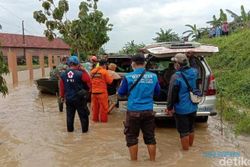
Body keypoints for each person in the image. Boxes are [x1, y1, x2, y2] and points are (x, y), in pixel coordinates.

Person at [118, 54, 160, 161]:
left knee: (132, 138)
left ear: (133, 64)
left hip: (133, 111)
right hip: (148, 111)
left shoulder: (128, 77)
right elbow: (158, 92)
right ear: (144, 63)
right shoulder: (154, 76)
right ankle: (152, 162)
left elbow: (121, 93)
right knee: (150, 137)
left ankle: (134, 163)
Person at [166, 53, 198, 151]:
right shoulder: (194, 72)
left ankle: (186, 153)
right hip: (193, 106)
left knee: (183, 132)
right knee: (191, 128)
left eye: (174, 63)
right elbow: (194, 66)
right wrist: (192, 57)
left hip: (181, 109)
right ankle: (191, 149)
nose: (174, 65)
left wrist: (169, 108)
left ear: (178, 65)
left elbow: (171, 94)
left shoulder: (176, 77)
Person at [60, 56, 91, 133]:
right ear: (78, 64)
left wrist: (62, 97)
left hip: (69, 99)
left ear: (68, 64)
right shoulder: (81, 73)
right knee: (83, 116)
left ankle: (70, 132)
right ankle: (85, 133)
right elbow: (89, 82)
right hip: (80, 99)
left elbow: (62, 87)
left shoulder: (63, 74)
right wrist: (84, 71)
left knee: (69, 117)